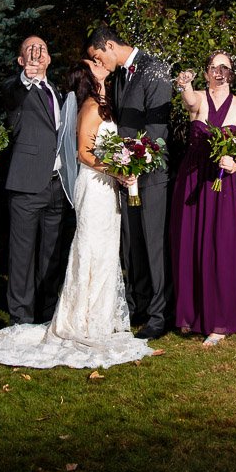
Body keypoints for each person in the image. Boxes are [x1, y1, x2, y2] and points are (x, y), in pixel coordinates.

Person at [0, 60, 155, 369]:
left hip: (106, 185)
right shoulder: (91, 107)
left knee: (106, 249)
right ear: (88, 77)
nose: (101, 65)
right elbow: (83, 153)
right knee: (90, 248)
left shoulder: (103, 104)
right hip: (94, 185)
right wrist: (119, 170)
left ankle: (99, 316)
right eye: (95, 64)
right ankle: (79, 319)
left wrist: (121, 168)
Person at [170, 52, 236, 345]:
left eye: (225, 67)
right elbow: (189, 101)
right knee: (192, 243)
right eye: (214, 67)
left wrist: (234, 164)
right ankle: (192, 312)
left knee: (221, 245)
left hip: (223, 185)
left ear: (232, 73)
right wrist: (184, 85)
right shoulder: (198, 97)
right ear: (207, 71)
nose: (219, 72)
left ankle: (220, 319)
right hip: (193, 180)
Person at [86, 26, 172, 341]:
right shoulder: (121, 76)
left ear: (109, 45)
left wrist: (138, 163)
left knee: (153, 243)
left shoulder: (156, 69)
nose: (101, 64)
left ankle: (160, 316)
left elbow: (157, 128)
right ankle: (140, 304)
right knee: (133, 244)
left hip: (151, 175)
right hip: (128, 173)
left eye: (99, 57)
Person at [1, 35, 68, 325]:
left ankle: (46, 314)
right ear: (20, 59)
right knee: (21, 255)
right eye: (30, 49)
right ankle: (21, 317)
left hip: (56, 185)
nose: (37, 54)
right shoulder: (18, 89)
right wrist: (24, 79)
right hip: (26, 185)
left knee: (51, 255)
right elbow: (10, 95)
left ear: (50, 58)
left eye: (42, 49)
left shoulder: (57, 91)